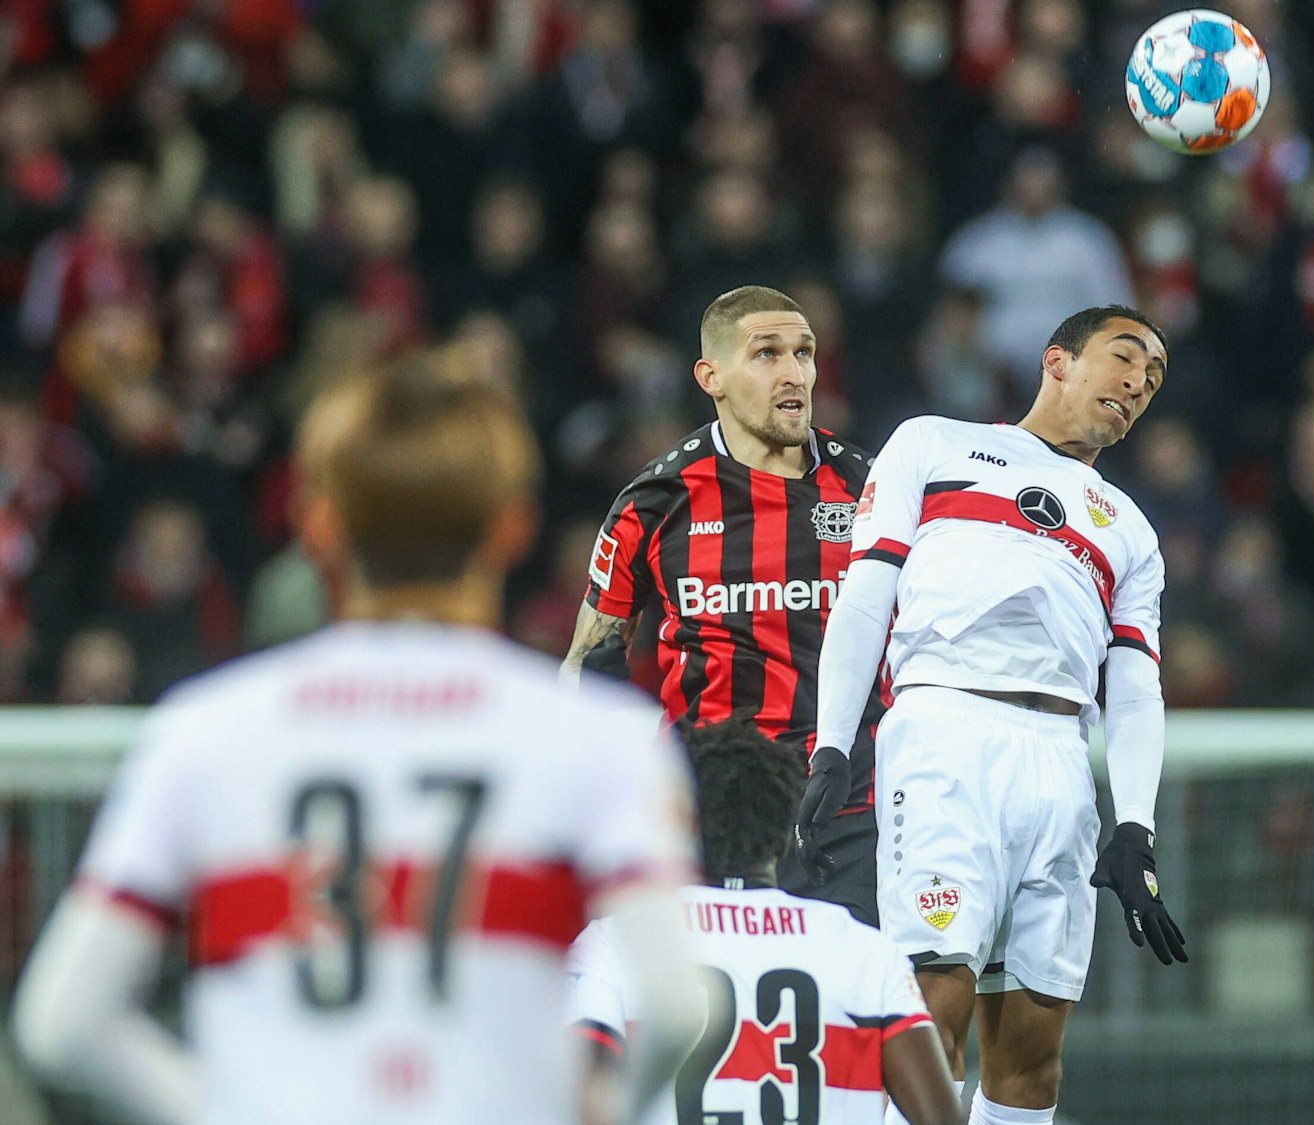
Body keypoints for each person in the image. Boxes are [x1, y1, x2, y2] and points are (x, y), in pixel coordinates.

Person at [11, 353, 703, 1124]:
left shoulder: (204, 729)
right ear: (513, 528)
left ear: (318, 524)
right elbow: (676, 1002)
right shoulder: (601, 736)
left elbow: (60, 1023)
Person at [800, 305, 1189, 1125]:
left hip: (1060, 762)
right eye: (1125, 358)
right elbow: (866, 593)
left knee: (1033, 1053)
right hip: (945, 732)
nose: (1138, 383)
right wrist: (833, 743)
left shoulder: (1132, 532)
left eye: (1153, 378)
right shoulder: (932, 443)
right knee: (928, 1011)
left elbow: (1135, 685)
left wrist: (1137, 827)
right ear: (1057, 360)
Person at [561, 284, 882, 924]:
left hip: (853, 813)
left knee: (853, 1016)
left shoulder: (869, 489)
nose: (795, 373)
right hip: (712, 813)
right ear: (712, 377)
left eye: (805, 353)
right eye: (767, 354)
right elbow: (583, 664)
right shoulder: (656, 501)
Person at [567, 719, 963, 1125]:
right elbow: (941, 1119)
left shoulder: (616, 941)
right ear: (785, 833)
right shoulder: (865, 950)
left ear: (682, 824)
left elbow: (574, 1099)